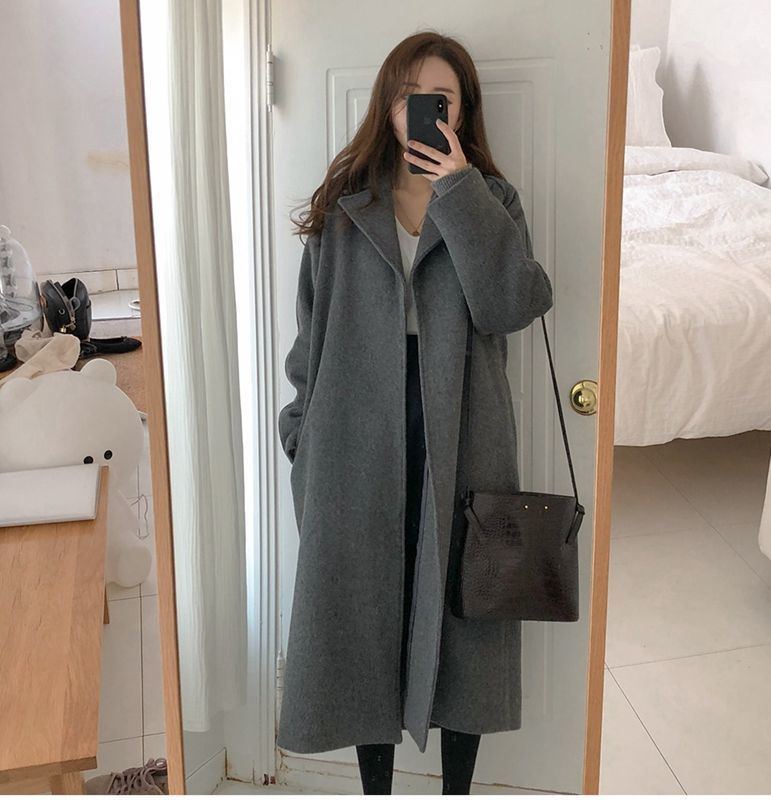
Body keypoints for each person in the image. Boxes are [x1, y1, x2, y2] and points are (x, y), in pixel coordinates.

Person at [279, 31, 553, 795]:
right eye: (407, 96)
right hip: (353, 433)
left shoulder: (491, 201)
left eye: (440, 98)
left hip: (462, 430)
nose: (420, 111)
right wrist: (300, 434)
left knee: (466, 615)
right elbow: (310, 335)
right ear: (387, 105)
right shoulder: (345, 207)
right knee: (364, 617)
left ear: (462, 112)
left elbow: (510, 305)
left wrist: (459, 191)